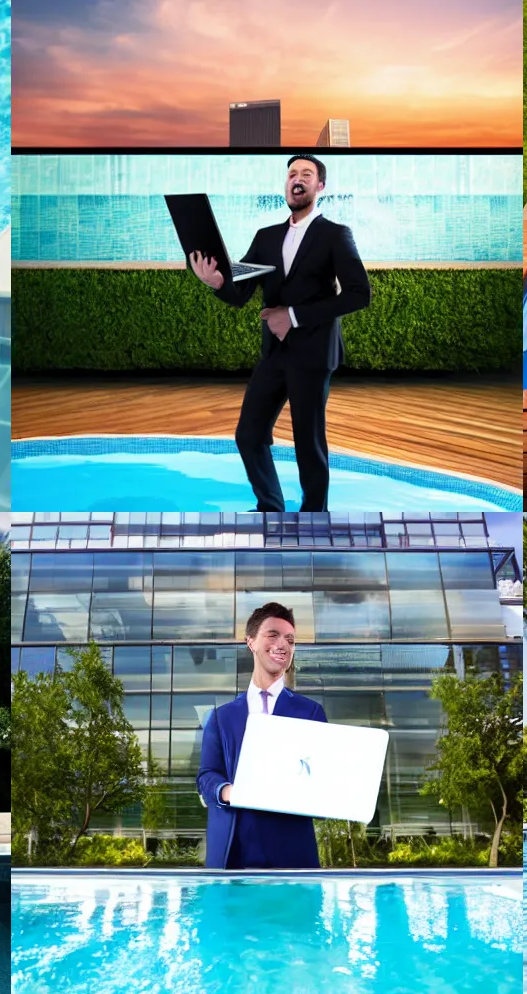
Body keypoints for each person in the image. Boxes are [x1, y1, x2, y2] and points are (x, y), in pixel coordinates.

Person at [188, 154, 370, 514]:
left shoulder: (335, 235)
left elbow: (359, 293)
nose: (296, 179)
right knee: (249, 435)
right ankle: (270, 508)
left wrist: (294, 316)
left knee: (308, 442)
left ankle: (314, 519)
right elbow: (240, 293)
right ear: (285, 185)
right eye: (291, 174)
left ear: (320, 186)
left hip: (314, 354)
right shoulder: (266, 237)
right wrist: (216, 282)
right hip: (274, 355)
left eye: (306, 174)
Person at [196, 601, 327, 869]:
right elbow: (207, 776)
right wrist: (228, 791)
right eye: (272, 635)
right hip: (234, 854)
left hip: (292, 855)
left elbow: (321, 781)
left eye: (290, 640)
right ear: (251, 642)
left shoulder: (311, 712)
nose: (283, 645)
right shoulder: (222, 717)